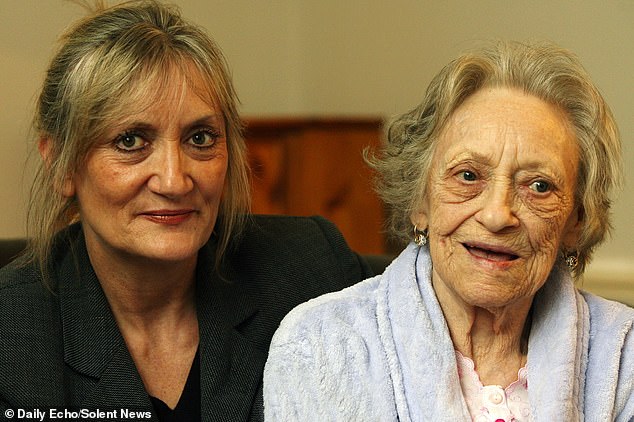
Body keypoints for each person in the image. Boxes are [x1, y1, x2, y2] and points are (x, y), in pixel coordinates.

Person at [0, 1, 371, 421]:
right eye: (130, 141)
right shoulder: (12, 344)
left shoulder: (309, 267)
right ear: (61, 166)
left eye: (200, 138)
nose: (175, 181)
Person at [264, 41, 634, 421]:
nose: (496, 215)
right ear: (419, 203)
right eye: (468, 175)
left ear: (576, 222)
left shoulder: (624, 359)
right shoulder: (324, 346)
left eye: (538, 186)